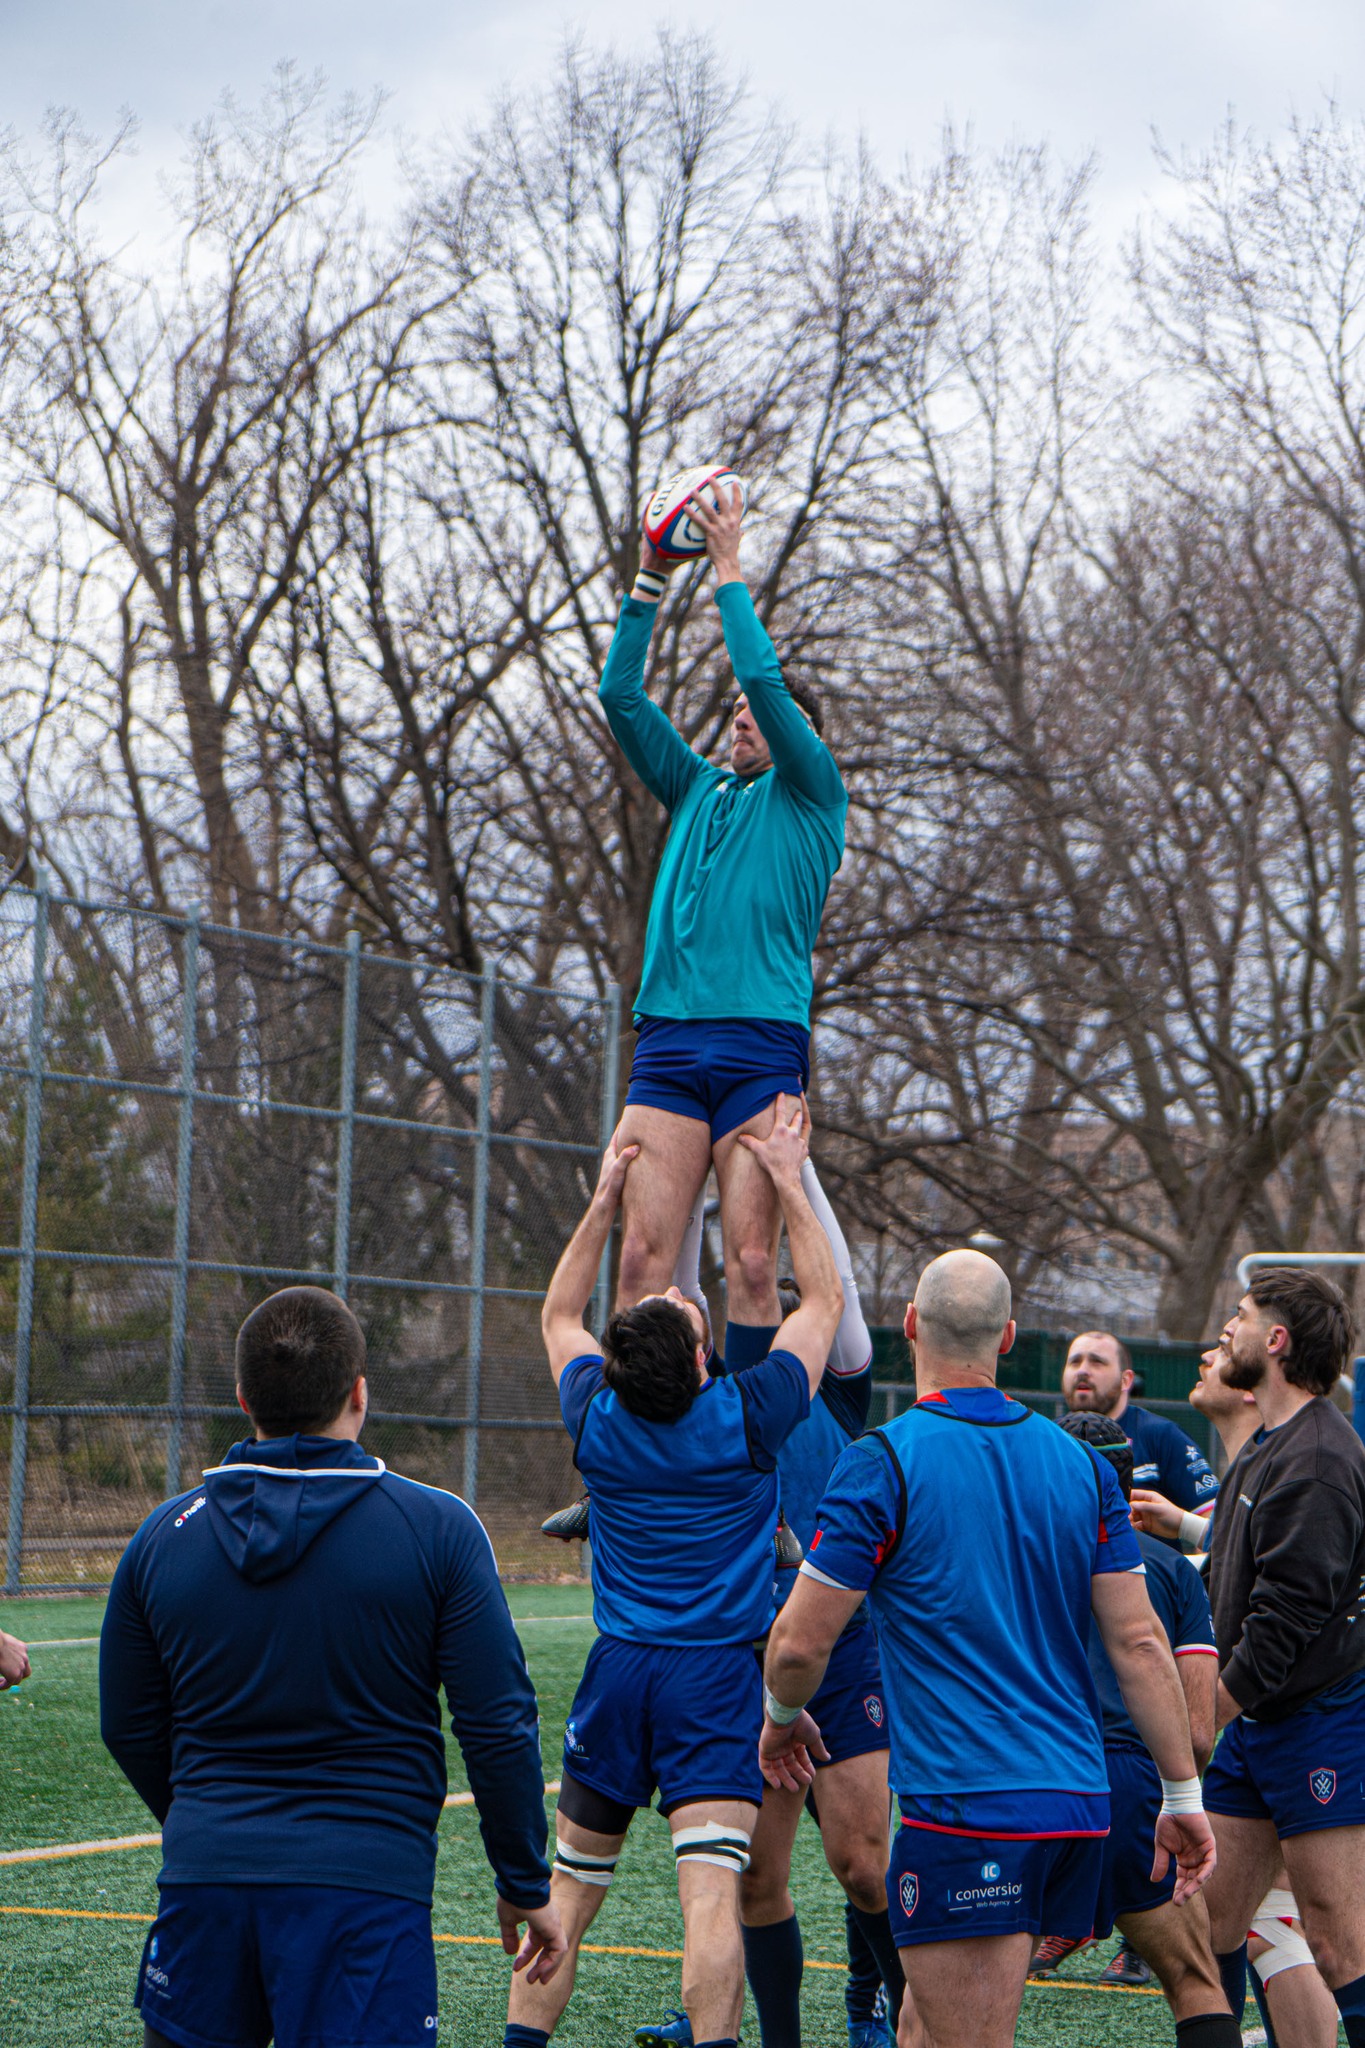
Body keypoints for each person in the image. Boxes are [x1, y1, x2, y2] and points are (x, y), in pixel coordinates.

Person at [760, 1250, 1228, 2048]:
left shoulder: (882, 1461)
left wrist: (779, 1716)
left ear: (908, 1325)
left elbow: (800, 1643)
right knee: (919, 2025)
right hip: (1078, 1807)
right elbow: (1140, 1642)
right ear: (1008, 1336)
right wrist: (1182, 1798)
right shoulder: (1081, 1465)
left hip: (971, 1811)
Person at [100, 1285, 562, 2048]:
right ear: (359, 1393)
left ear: (244, 1398)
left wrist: (212, 1824)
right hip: (364, 1896)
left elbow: (128, 1725)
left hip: (204, 1887)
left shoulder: (160, 1538)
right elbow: (496, 1723)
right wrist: (522, 1878)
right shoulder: (438, 1529)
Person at [508, 1095, 844, 2048]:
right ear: (704, 1363)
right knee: (708, 1902)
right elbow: (819, 1301)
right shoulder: (746, 1416)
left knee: (566, 1899)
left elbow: (558, 1310)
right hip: (712, 1681)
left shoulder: (596, 1420)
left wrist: (608, 1194)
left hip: (619, 1675)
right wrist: (783, 1174)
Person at [634, 1168, 901, 2048]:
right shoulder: (721, 1397)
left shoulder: (839, 1385)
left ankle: (892, 2002)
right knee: (755, 1880)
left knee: (863, 1865)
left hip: (844, 1647)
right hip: (752, 1654)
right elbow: (673, 1295)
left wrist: (798, 1170)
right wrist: (685, 1174)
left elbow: (821, 1283)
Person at [600, 481, 847, 1349]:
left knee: (749, 1263)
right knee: (641, 1263)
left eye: (755, 715)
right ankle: (639, 1451)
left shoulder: (812, 794)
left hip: (758, 1042)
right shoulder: (698, 788)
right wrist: (648, 579)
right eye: (734, 715)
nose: (740, 718)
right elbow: (620, 699)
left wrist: (729, 564)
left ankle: (746, 1459)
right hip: (668, 1043)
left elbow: (763, 677)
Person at [1165, 1271, 1365, 2048]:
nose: (1228, 1331)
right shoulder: (1268, 1443)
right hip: (1257, 1723)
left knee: (1335, 1940)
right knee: (1206, 1927)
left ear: (1274, 1342)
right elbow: (1229, 1587)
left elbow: (1282, 1627)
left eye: (1241, 1319)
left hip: (1320, 1724)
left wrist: (1196, 1726)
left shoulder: (1316, 1457)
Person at [1033, 1412, 1236, 2039]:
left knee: (959, 1992)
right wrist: (1176, 1799)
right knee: (1198, 1981)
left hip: (1026, 1775)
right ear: (1129, 1483)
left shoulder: (1020, 1555)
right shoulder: (1173, 1570)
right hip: (1128, 1786)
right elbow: (1199, 1733)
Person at [1063, 1329, 1219, 1537]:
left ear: (1126, 1380)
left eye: (1097, 1362)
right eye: (1074, 1362)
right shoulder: (1047, 1439)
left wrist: (1180, 1564)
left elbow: (1217, 1524)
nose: (1082, 1370)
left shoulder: (1160, 1435)